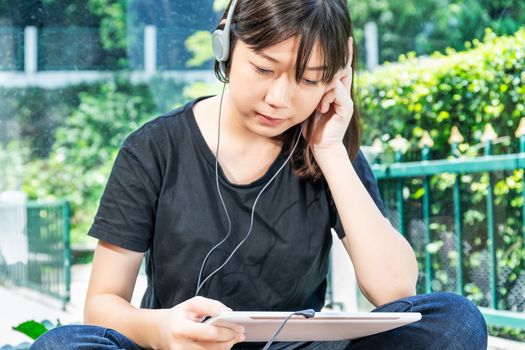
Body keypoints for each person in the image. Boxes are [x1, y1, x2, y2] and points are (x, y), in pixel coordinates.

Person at [31, 0, 488, 349]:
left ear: (337, 78)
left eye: (310, 79)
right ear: (226, 44)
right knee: (61, 344)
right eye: (264, 69)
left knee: (455, 319)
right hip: (182, 348)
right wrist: (162, 330)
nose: (280, 99)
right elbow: (102, 304)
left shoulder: (329, 154)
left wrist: (329, 151)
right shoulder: (153, 148)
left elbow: (394, 290)